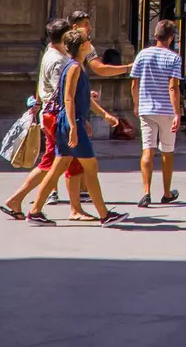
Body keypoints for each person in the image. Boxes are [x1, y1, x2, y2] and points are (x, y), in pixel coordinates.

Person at [30, 33, 122, 224]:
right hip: (72, 122)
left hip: (69, 121)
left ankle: (35, 211)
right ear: (81, 47)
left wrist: (103, 115)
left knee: (57, 169)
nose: (91, 43)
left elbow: (82, 98)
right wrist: (73, 126)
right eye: (88, 40)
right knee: (91, 166)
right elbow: (69, 98)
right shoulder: (73, 68)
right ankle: (104, 215)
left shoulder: (75, 66)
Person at [2, 19, 72, 220]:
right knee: (54, 162)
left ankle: (75, 208)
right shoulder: (57, 60)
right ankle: (25, 203)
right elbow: (63, 92)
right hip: (57, 116)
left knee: (59, 162)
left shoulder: (53, 53)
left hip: (52, 115)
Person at [131, 20, 186, 209]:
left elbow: (134, 83)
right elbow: (173, 87)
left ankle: (146, 192)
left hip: (146, 109)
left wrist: (137, 105)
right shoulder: (174, 58)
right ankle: (166, 192)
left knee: (147, 149)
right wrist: (177, 113)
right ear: (171, 38)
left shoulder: (142, 55)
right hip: (166, 111)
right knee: (167, 151)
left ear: (156, 36)